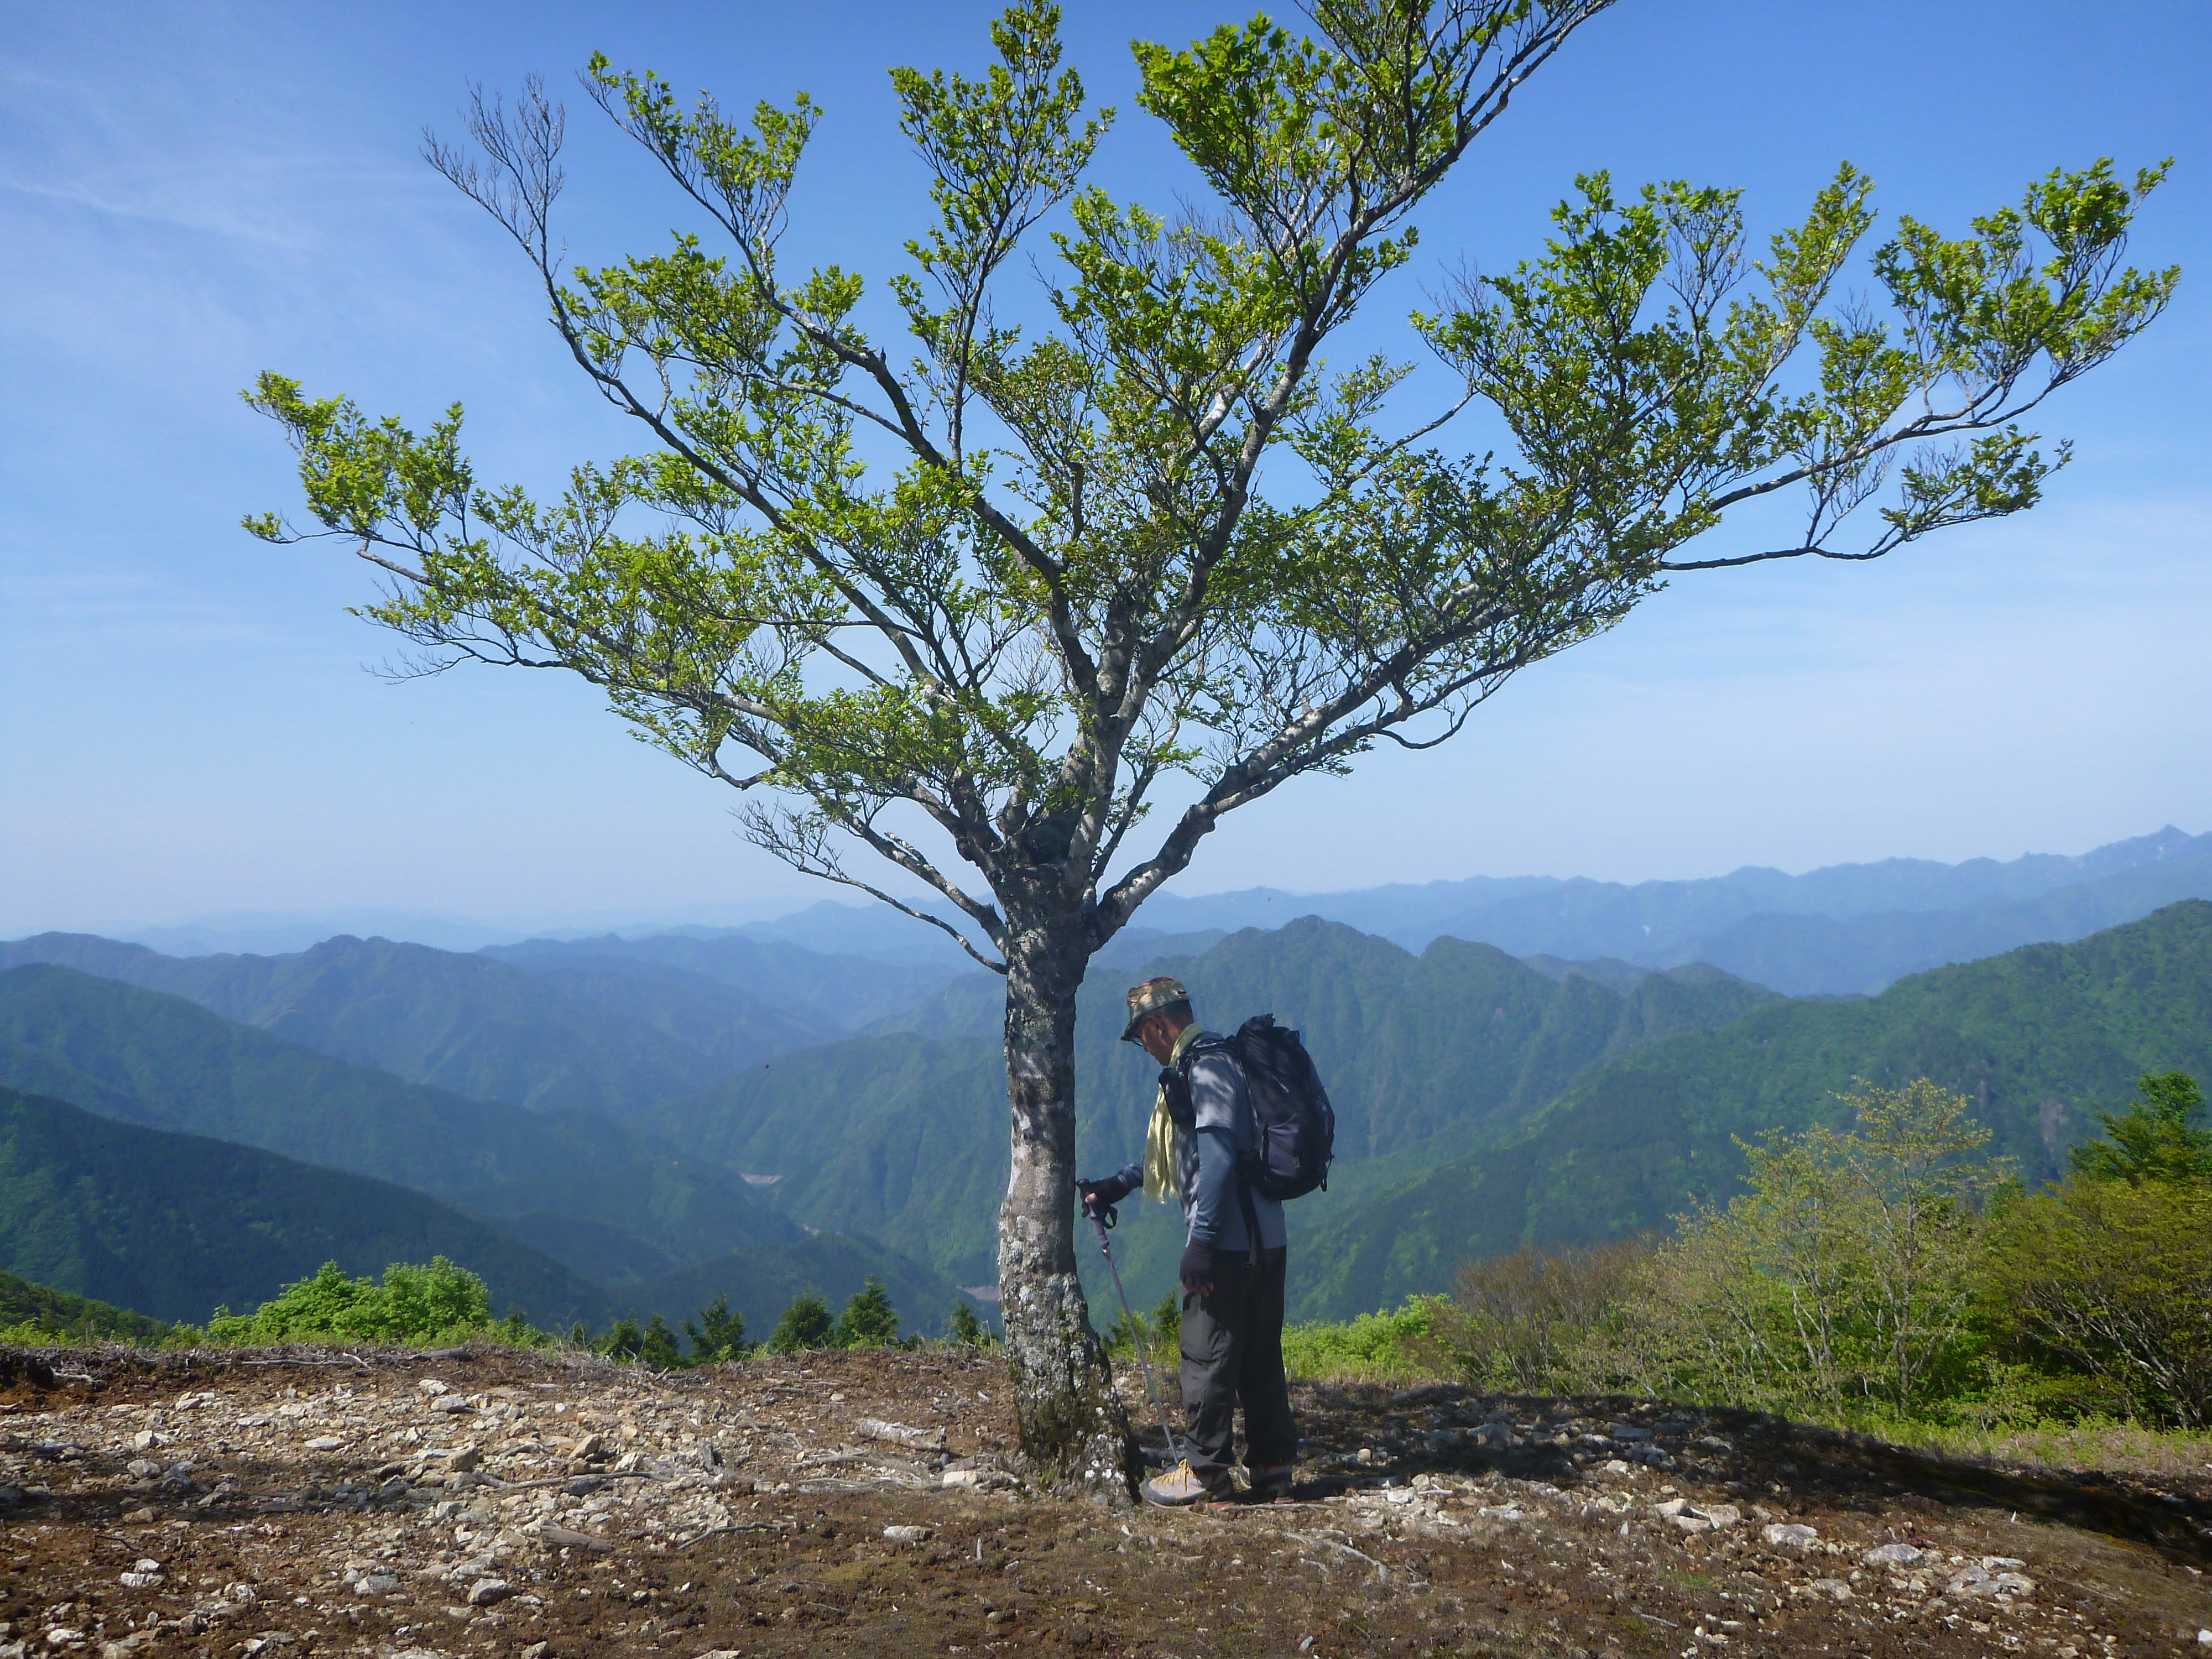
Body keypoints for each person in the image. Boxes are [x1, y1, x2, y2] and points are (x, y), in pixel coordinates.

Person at [1079, 976, 1296, 1506]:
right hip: (1266, 1236)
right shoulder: (1222, 1057)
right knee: (1260, 1356)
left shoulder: (1205, 1067)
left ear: (1158, 1025)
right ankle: (1272, 1471)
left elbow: (1218, 1159)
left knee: (1207, 1355)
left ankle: (1207, 1474)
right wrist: (1121, 1184)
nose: (1144, 1048)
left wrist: (1201, 1243)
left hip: (1228, 1242)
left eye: (1141, 1037)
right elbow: (1192, 1152)